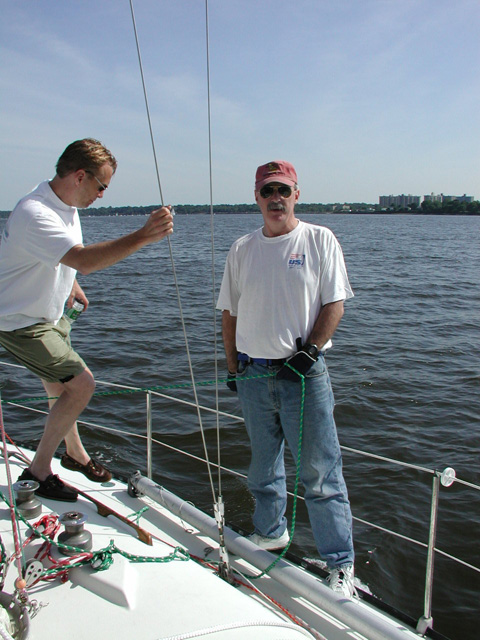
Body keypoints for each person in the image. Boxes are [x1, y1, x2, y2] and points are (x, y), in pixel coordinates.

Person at [0, 138, 174, 502]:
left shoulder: (64, 204)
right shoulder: (36, 213)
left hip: (45, 313)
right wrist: (144, 235)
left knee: (56, 383)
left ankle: (75, 455)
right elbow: (85, 259)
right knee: (81, 386)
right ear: (80, 176)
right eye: (101, 186)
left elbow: (56, 256)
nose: (102, 195)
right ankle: (39, 471)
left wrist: (71, 284)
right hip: (18, 321)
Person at [217, 160, 355, 597]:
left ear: (297, 194)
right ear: (255, 197)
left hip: (304, 374)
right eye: (266, 191)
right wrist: (232, 367)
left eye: (283, 190)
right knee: (262, 465)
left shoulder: (319, 239)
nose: (275, 198)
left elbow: (335, 304)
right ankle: (271, 531)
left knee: (319, 473)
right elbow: (230, 313)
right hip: (253, 373)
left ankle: (341, 564)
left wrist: (310, 351)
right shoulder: (241, 248)